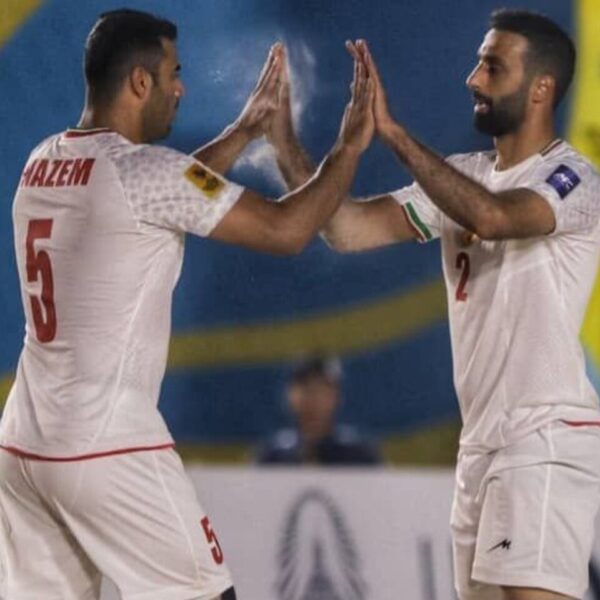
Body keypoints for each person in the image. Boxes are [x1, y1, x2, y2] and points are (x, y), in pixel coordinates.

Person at [0, 9, 375, 600]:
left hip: (24, 444)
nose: (182, 87)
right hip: (107, 444)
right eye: (174, 72)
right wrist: (350, 148)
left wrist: (246, 130)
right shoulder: (142, 171)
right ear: (139, 82)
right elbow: (287, 230)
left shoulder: (42, 160)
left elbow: (170, 191)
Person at [266, 9, 600, 600]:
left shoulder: (573, 179)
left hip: (545, 440)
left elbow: (494, 218)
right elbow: (344, 230)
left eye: (492, 66)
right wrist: (286, 141)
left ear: (542, 88)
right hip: (479, 448)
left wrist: (392, 134)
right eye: (478, 62)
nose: (473, 78)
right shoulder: (464, 176)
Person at [255, 357, 382, 465]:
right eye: (306, 390)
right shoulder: (273, 455)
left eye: (322, 391)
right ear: (290, 396)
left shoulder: (359, 455)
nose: (314, 400)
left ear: (336, 397)